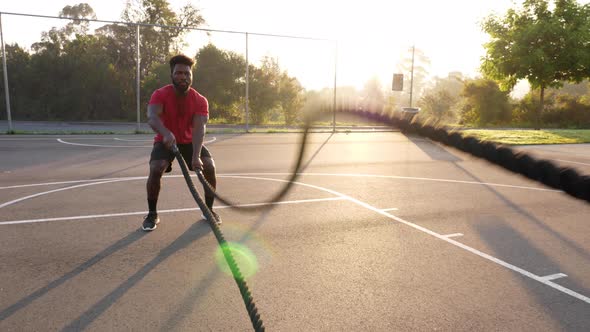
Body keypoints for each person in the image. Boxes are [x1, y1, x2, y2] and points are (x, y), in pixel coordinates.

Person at [142, 54, 220, 231]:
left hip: (189, 141)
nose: (183, 76)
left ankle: (209, 210)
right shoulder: (160, 94)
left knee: (209, 166)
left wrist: (196, 156)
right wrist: (165, 133)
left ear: (191, 76)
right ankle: (152, 214)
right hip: (165, 139)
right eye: (178, 73)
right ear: (172, 75)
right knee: (156, 168)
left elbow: (199, 129)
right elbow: (152, 117)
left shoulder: (200, 100)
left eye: (187, 73)